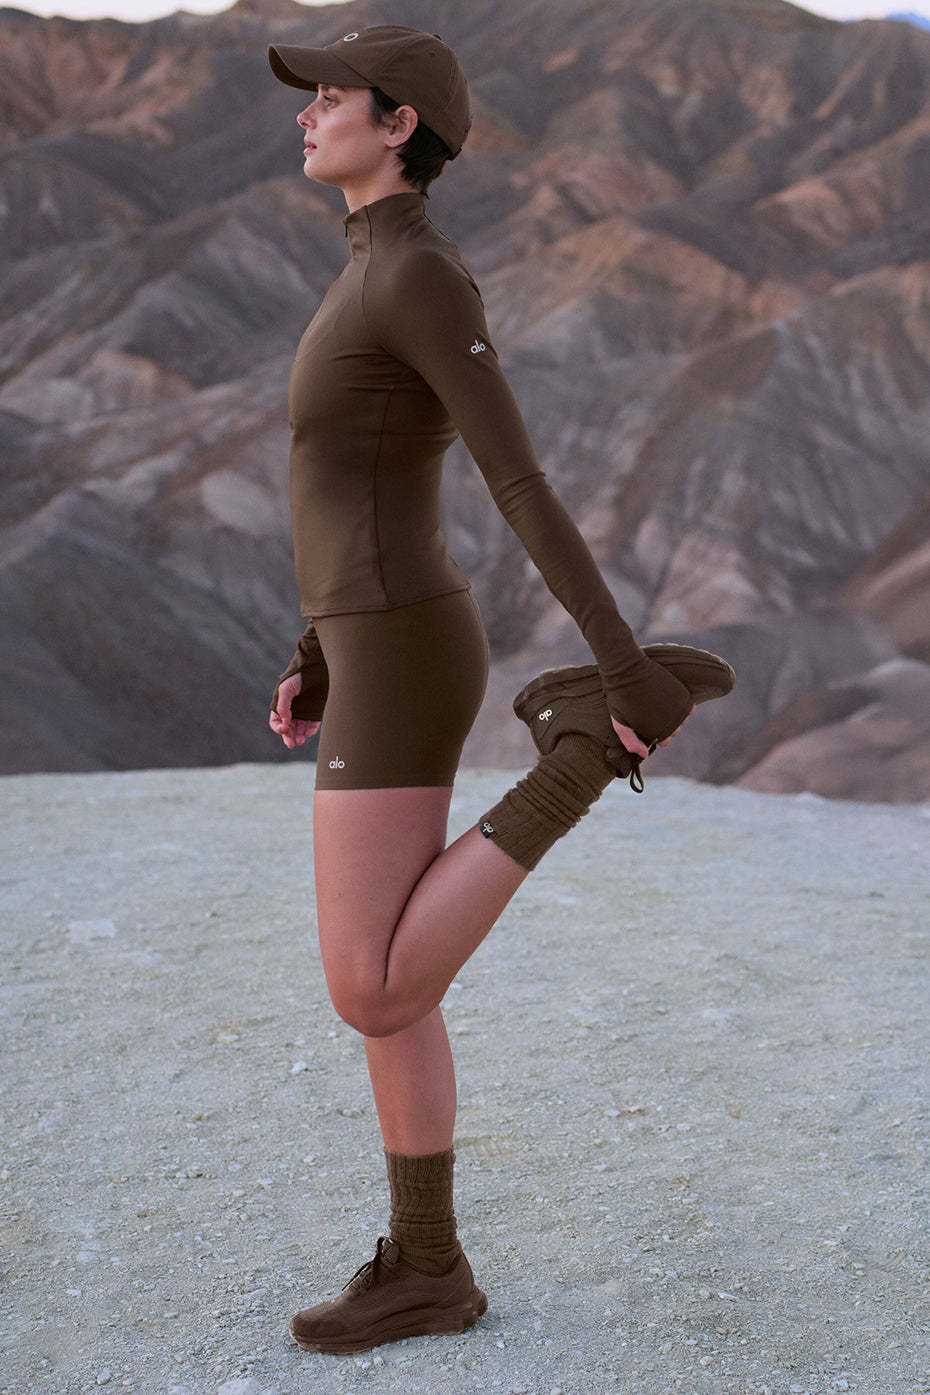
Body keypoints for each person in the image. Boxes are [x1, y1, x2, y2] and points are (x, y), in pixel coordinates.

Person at [266, 26, 734, 1356]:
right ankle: (427, 1268)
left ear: (397, 123)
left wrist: (623, 663)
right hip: (368, 639)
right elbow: (356, 480)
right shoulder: (368, 263)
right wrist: (315, 649)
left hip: (406, 645)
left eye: (332, 98)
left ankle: (580, 754)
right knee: (396, 987)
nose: (307, 116)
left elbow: (512, 478)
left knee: (370, 987)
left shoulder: (416, 273)